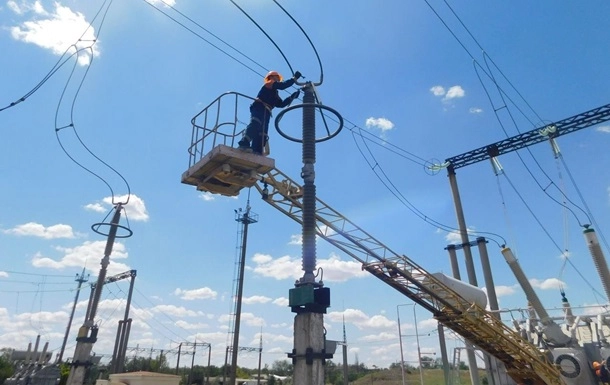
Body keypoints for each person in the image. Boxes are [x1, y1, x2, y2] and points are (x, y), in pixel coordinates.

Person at [238, 70, 302, 155]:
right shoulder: (269, 84)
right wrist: (294, 78)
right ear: (271, 77)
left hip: (266, 111)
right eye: (277, 77)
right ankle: (244, 143)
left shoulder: (274, 94)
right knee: (256, 123)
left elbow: (281, 104)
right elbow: (283, 86)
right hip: (259, 106)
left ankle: (257, 150)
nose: (278, 80)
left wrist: (292, 97)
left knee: (263, 132)